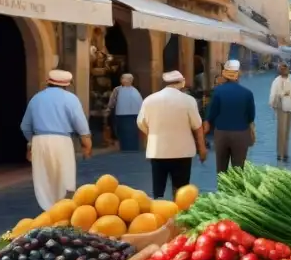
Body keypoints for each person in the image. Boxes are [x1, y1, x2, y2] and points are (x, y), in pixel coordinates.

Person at [20, 70, 92, 211]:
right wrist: (86, 144)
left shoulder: (36, 98)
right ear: (67, 84)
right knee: (64, 177)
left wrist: (31, 143)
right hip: (62, 142)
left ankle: (48, 211)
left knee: (44, 179)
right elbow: (81, 125)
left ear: (48, 81)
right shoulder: (71, 99)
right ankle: (63, 211)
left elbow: (25, 126)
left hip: (39, 141)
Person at [137, 71, 207, 199]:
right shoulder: (188, 100)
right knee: (181, 191)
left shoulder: (149, 100)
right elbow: (197, 127)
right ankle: (179, 215)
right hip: (182, 153)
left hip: (158, 152)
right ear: (181, 83)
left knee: (158, 191)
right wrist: (202, 149)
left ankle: (159, 214)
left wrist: (149, 142)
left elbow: (141, 124)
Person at [205, 60, 255, 173]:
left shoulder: (217, 91)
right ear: (238, 74)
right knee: (238, 169)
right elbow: (251, 116)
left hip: (221, 134)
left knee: (221, 169)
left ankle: (223, 189)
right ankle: (236, 190)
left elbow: (211, 113)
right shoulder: (247, 93)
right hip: (241, 134)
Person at [269, 63, 291, 162]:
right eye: (282, 69)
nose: (284, 70)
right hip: (281, 106)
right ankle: (279, 153)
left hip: (290, 106)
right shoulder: (276, 81)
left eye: (285, 69)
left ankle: (285, 152)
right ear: (279, 70)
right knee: (281, 131)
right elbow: (273, 94)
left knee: (287, 131)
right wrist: (279, 96)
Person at [107, 74, 143, 152]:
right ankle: (130, 148)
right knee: (129, 133)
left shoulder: (119, 90)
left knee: (126, 133)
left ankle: (127, 148)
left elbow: (112, 102)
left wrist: (109, 108)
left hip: (125, 116)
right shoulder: (133, 91)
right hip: (129, 115)